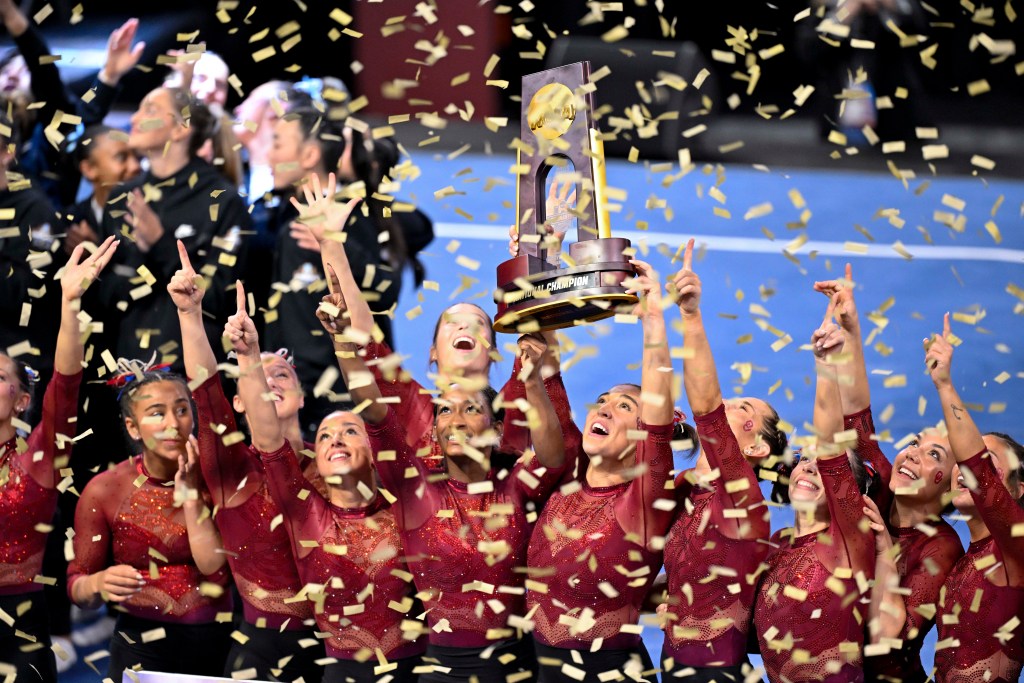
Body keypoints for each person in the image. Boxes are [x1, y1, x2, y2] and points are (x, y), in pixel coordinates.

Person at [321, 267, 568, 681]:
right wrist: (343, 342)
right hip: (435, 667)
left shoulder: (515, 487)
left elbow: (552, 453)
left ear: (494, 429)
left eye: (472, 409)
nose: (455, 419)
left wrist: (533, 381)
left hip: (516, 666)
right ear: (433, 428)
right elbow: (375, 410)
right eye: (446, 410)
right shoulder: (413, 486)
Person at [293, 172, 578, 465]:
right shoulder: (410, 405)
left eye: (479, 324)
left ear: (493, 353)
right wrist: (330, 243)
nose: (465, 326)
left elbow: (542, 339)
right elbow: (361, 335)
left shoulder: (515, 399)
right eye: (452, 324)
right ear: (432, 353)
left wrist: (545, 256)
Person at [226, 280, 424, 683]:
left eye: (350, 432)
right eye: (327, 436)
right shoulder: (305, 511)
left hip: (417, 672)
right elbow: (269, 442)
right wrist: (246, 356)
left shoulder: (404, 500)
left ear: (374, 453)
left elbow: (375, 411)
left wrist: (344, 343)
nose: (336, 439)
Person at [170, 241, 325, 681]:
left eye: (282, 374)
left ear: (301, 395)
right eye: (258, 377)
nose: (269, 380)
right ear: (238, 401)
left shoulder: (335, 459)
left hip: (340, 647)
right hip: (258, 652)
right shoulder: (231, 468)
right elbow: (204, 389)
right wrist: (189, 314)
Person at [525, 259, 676, 682]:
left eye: (624, 407)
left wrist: (652, 319)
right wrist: (540, 263)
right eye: (604, 400)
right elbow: (549, 378)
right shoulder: (569, 471)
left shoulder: (644, 499)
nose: (605, 407)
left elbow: (660, 415)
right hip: (536, 663)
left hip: (606, 673)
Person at [815, 265, 963, 681]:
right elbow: (857, 413)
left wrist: (881, 550)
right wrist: (851, 328)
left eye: (934, 453)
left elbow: (895, 634)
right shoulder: (876, 481)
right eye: (914, 442)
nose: (913, 453)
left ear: (950, 485)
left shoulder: (943, 548)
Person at [67, 361, 233, 678]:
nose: (173, 423)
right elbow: (77, 587)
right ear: (132, 427)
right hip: (138, 646)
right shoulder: (105, 490)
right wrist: (95, 584)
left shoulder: (218, 479)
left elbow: (220, 576)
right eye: (157, 413)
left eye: (182, 410)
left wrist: (190, 497)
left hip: (218, 641)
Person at [658, 238, 776, 681]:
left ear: (757, 449)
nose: (731, 407)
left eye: (746, 410)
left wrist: (689, 315)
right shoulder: (686, 487)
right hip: (672, 669)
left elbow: (706, 404)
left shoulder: (743, 496)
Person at [0, 236, 117, 678]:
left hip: (22, 626)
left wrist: (69, 305)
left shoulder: (39, 460)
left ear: (21, 400)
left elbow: (66, 385)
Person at [752, 303, 875, 683]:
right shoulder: (778, 543)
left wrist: (826, 366)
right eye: (805, 460)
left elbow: (830, 443)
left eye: (826, 467)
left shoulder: (850, 539)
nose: (810, 466)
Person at [259, 112, 398, 438]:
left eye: (278, 142)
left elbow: (386, 291)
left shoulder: (346, 214)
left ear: (309, 155)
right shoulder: (282, 214)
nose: (269, 153)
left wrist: (339, 248)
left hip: (335, 398)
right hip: (296, 391)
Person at [97, 86, 250, 368]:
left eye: (150, 110)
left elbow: (221, 297)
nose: (134, 118)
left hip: (195, 369)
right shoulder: (121, 198)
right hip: (126, 367)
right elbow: (104, 295)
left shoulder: (222, 200)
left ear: (181, 129)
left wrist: (160, 243)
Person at [926, 315, 1024, 683]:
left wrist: (944, 385)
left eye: (987, 462)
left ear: (1017, 489)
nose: (966, 469)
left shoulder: (1016, 548)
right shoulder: (962, 561)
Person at [0, 1, 143, 206]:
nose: (12, 76)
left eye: (23, 71)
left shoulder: (49, 131)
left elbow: (43, 71)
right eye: (6, 71)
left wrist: (11, 16)